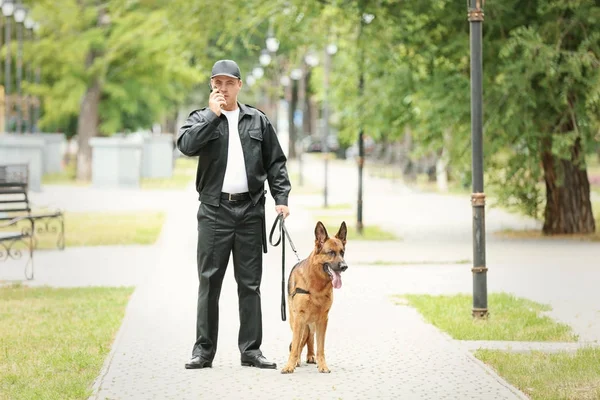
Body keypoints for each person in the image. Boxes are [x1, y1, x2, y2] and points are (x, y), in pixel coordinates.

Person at [177, 59, 291, 370]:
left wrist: (281, 198)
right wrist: (213, 118)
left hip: (251, 211)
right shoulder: (200, 118)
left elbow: (275, 163)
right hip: (214, 212)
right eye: (218, 83)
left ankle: (251, 351)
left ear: (239, 85)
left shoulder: (258, 121)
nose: (223, 88)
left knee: (250, 284)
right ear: (211, 85)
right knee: (209, 282)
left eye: (229, 83)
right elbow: (186, 146)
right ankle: (203, 351)